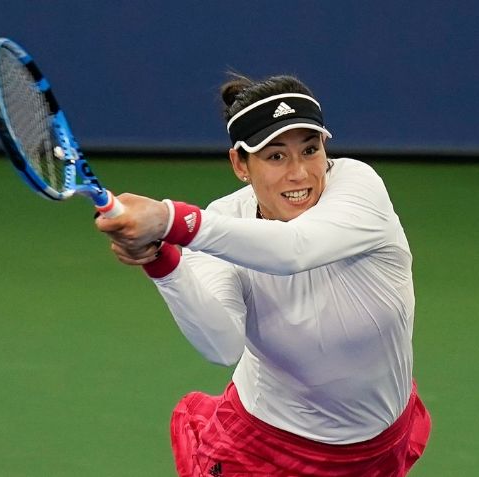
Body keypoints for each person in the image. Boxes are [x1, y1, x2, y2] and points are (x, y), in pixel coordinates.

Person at [95, 73, 431, 477]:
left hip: (379, 447)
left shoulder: (359, 187)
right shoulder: (219, 223)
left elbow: (294, 248)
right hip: (264, 450)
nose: (300, 174)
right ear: (240, 163)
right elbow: (221, 345)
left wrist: (172, 220)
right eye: (276, 156)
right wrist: (163, 262)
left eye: (310, 150)